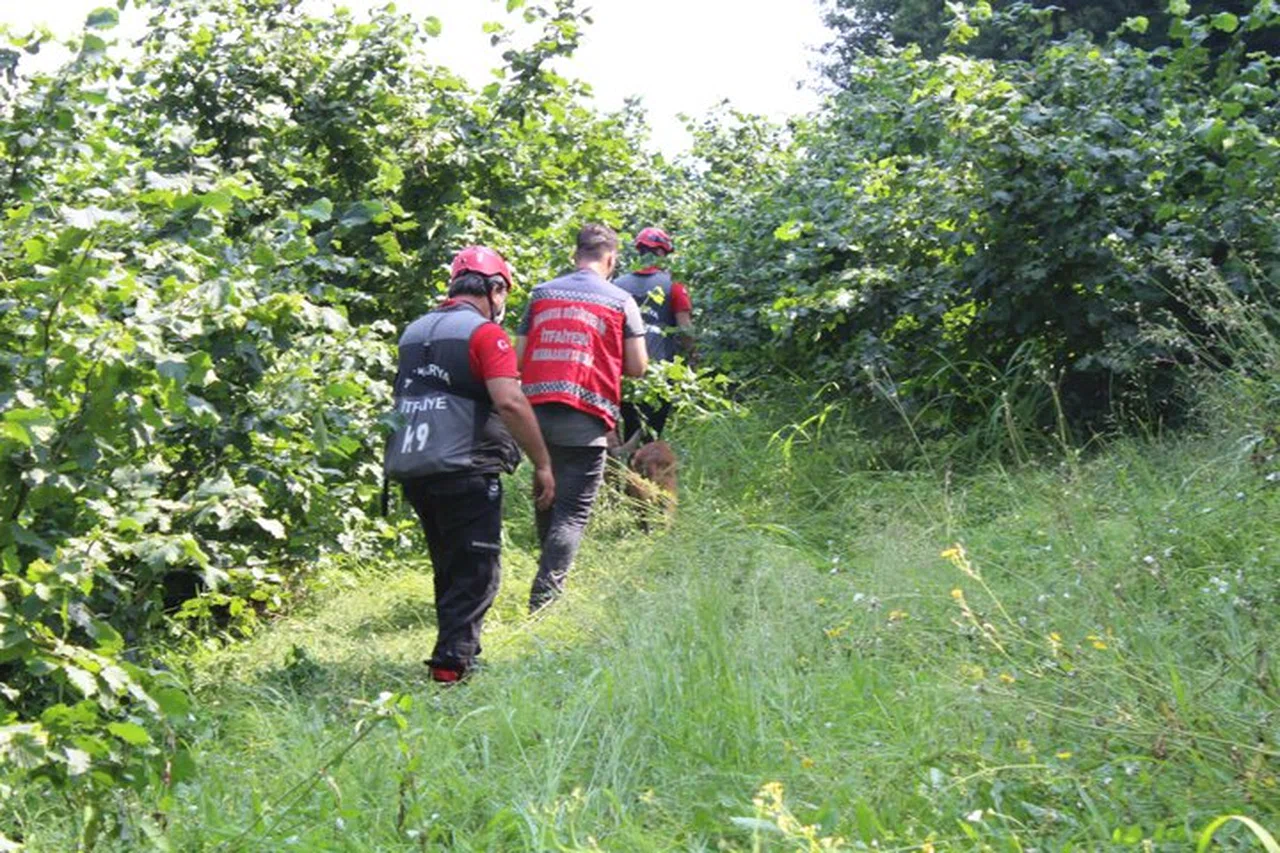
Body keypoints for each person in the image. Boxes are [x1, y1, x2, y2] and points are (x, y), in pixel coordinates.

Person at [385, 246, 555, 683]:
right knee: (478, 571)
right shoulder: (485, 335)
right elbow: (510, 401)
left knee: (450, 566)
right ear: (495, 289)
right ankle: (452, 666)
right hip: (466, 466)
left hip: (415, 467)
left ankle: (460, 652)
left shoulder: (412, 332)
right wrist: (542, 463)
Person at [516, 224, 648, 611]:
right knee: (572, 513)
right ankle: (545, 599)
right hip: (586, 414)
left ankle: (546, 582)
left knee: (547, 496)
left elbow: (520, 359)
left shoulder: (541, 295)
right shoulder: (621, 300)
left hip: (535, 415)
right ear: (611, 259)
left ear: (575, 255)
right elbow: (638, 366)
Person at [611, 227, 694, 448]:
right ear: (662, 253)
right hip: (659, 375)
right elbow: (686, 330)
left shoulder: (617, 285)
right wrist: (692, 358)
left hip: (623, 373)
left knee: (629, 427)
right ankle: (641, 479)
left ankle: (622, 475)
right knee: (650, 438)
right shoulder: (673, 285)